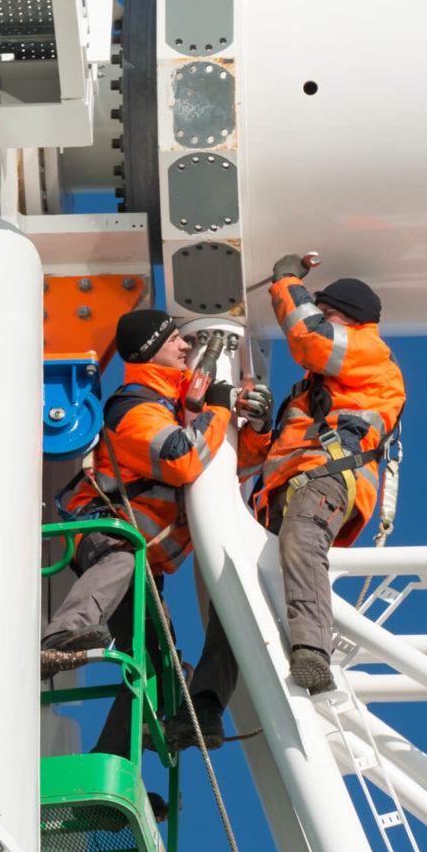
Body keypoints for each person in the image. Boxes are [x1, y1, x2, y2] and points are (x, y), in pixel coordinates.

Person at [41, 308, 272, 765]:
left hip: (140, 558)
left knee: (155, 666)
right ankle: (60, 639)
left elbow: (224, 472)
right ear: (151, 350)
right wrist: (220, 409)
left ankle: (113, 766)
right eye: (173, 340)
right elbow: (181, 460)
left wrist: (257, 431)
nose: (185, 346)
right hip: (103, 533)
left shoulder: (179, 407)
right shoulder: (135, 409)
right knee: (122, 562)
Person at [253, 255, 406, 694]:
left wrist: (284, 280)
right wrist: (260, 426)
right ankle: (204, 704)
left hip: (328, 477)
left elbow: (311, 337)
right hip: (288, 488)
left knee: (303, 537)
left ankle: (312, 652)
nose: (321, 318)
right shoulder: (317, 386)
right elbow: (274, 452)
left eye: (328, 312)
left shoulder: (368, 351)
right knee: (244, 591)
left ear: (350, 318)